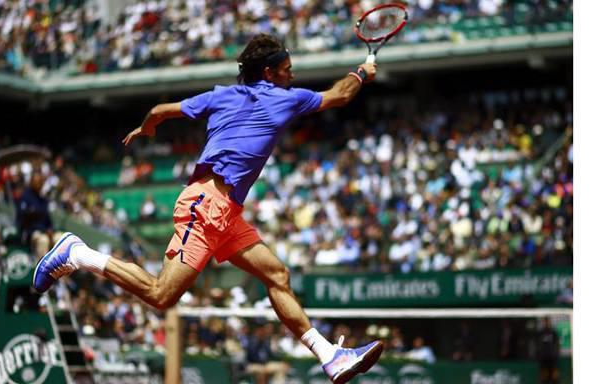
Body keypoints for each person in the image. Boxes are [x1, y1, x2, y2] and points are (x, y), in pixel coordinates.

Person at [34, 33, 382, 383]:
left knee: (277, 275)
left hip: (226, 212)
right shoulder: (285, 99)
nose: (292, 75)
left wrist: (146, 128)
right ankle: (77, 253)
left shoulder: (222, 95)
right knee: (161, 294)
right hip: (205, 206)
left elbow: (159, 111)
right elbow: (340, 95)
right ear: (269, 73)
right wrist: (363, 72)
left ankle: (329, 355)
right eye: (287, 70)